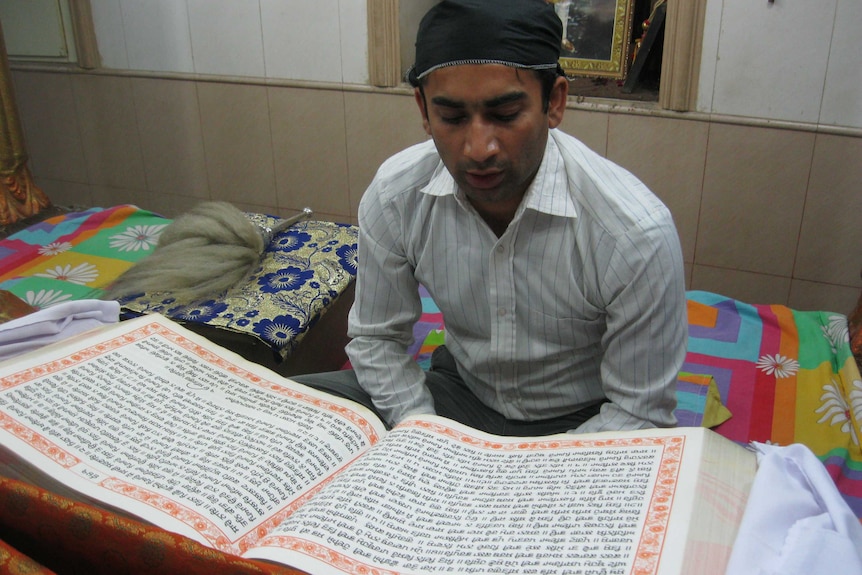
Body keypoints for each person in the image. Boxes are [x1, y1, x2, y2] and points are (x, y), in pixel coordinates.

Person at [294, 0, 687, 436]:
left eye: (504, 115)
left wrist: (524, 474)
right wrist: (422, 430)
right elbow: (376, 339)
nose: (479, 148)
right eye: (452, 117)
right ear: (424, 111)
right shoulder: (396, 196)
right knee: (298, 410)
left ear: (554, 103)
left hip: (584, 420)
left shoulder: (631, 232)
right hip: (459, 395)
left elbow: (637, 411)